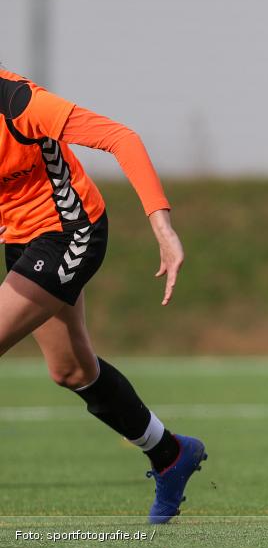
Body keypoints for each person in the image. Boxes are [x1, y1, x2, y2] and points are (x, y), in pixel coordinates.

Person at [0, 67, 206, 524]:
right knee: (71, 371)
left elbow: (122, 139)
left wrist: (163, 227)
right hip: (20, 239)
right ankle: (172, 455)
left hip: (70, 231)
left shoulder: (18, 103)